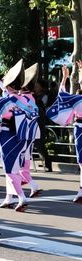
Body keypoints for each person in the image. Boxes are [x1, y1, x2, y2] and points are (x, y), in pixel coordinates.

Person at [0, 59, 31, 212]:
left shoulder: (4, 102)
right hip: (22, 137)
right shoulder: (25, 100)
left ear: (9, 86)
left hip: (7, 136)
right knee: (14, 168)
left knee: (10, 170)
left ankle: (21, 197)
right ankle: (9, 198)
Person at [47, 64, 82, 204]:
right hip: (79, 128)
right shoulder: (76, 99)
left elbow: (62, 94)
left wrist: (65, 78)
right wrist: (65, 78)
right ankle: (81, 191)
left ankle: (81, 191)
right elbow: (63, 95)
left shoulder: (76, 99)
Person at [19, 63, 43, 198]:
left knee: (21, 162)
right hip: (31, 132)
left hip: (25, 133)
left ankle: (33, 185)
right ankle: (26, 182)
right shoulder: (31, 97)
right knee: (25, 160)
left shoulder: (23, 98)